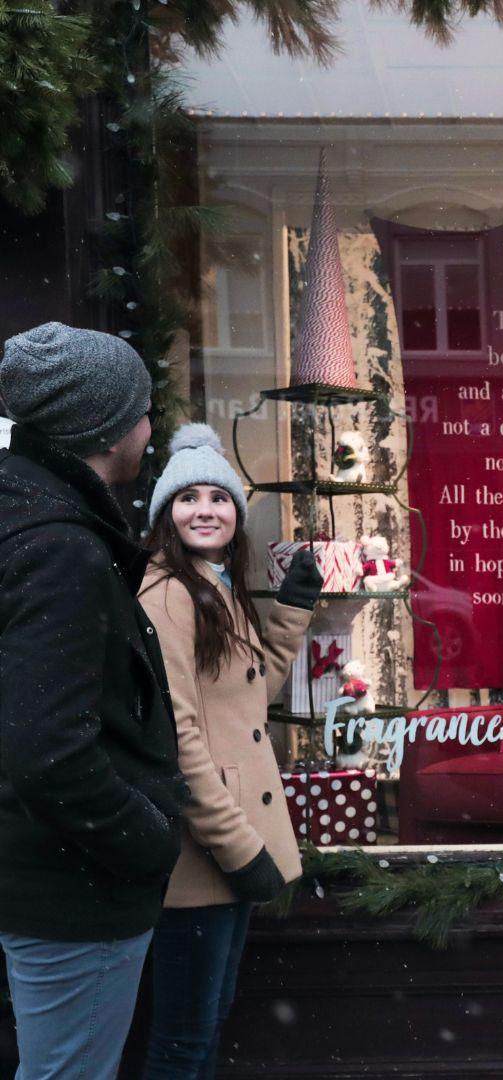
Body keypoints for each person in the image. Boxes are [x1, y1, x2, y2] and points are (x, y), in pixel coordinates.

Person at [0, 322, 188, 1079]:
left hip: (45, 874)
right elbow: (46, 748)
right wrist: (144, 841)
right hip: (70, 888)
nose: (151, 426)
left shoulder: (29, 519)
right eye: (144, 410)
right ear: (109, 427)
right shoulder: (59, 545)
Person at [138, 423, 322, 1079]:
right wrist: (242, 851)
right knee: (184, 1039)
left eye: (219, 497)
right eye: (189, 498)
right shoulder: (167, 594)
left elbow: (247, 699)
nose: (206, 509)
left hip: (228, 848)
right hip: (203, 855)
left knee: (207, 1024)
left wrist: (293, 609)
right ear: (167, 512)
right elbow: (178, 739)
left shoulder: (213, 585)